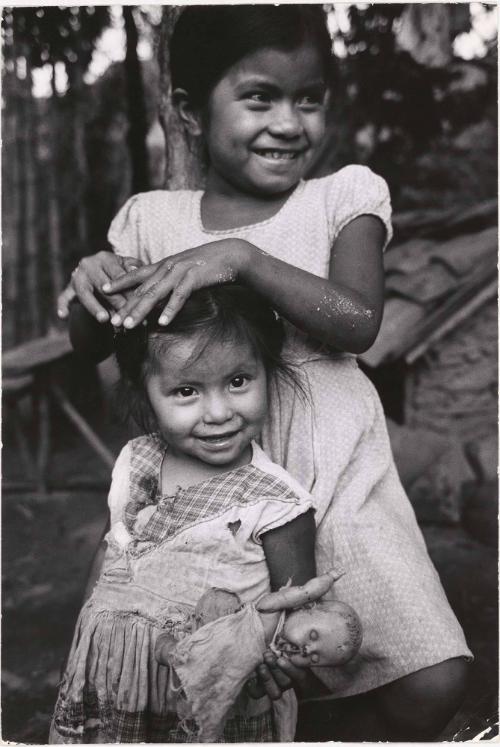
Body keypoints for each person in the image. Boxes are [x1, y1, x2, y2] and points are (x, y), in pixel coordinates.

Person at [57, 5, 472, 740]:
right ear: (189, 110)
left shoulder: (344, 198)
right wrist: (92, 282)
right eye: (260, 98)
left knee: (431, 675)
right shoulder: (152, 220)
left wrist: (242, 258)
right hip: (209, 480)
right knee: (235, 669)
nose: (289, 122)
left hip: (337, 470)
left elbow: (358, 321)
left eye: (307, 99)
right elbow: (93, 340)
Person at [51, 285, 334, 743]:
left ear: (267, 373)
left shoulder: (276, 502)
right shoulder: (136, 460)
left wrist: (277, 662)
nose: (219, 412)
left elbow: (296, 623)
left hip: (212, 705)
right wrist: (85, 645)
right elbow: (110, 560)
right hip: (109, 680)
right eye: (186, 391)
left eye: (239, 381)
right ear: (145, 394)